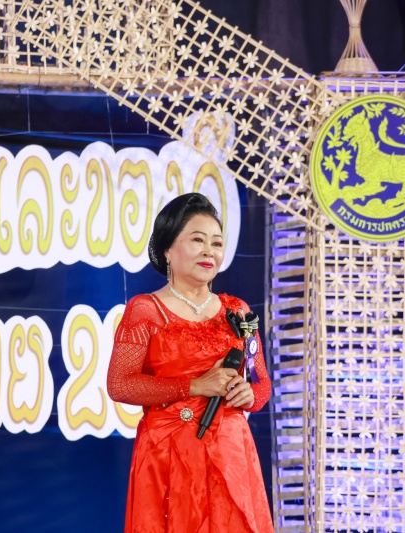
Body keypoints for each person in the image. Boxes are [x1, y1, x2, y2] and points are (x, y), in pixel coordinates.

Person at [107, 192, 273, 533]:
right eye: (197, 240)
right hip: (169, 453)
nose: (209, 251)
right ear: (168, 248)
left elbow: (262, 384)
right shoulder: (146, 309)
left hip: (230, 452)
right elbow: (120, 384)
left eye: (216, 243)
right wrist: (195, 386)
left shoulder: (237, 311)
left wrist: (249, 395)